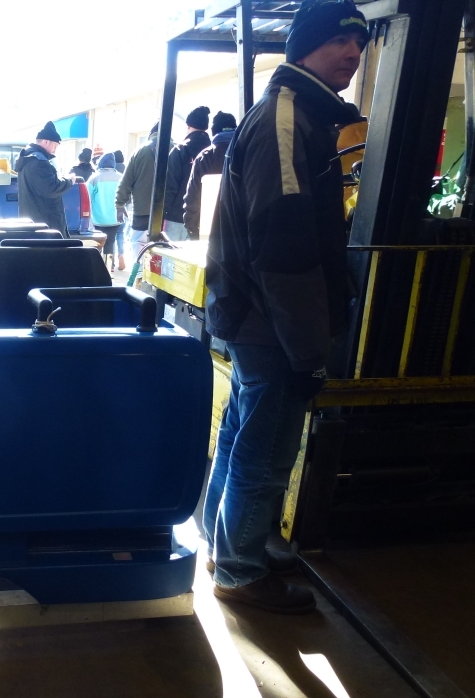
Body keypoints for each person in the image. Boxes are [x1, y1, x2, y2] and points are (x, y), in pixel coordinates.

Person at [203, 0, 369, 614]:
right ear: (304, 47)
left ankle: (231, 548)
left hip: (258, 317)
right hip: (270, 323)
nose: (353, 54)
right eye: (339, 42)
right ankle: (243, 573)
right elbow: (286, 249)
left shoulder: (299, 115)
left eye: (358, 43)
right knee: (267, 449)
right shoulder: (287, 118)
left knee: (247, 436)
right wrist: (307, 348)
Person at [115, 123, 173, 286]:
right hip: (166, 215)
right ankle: (159, 285)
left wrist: (120, 204)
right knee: (164, 252)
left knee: (139, 248)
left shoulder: (140, 151)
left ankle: (139, 281)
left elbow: (126, 182)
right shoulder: (175, 150)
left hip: (141, 213)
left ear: (151, 135)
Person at [183, 111, 237, 239]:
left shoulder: (205, 156)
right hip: (242, 231)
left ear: (214, 131)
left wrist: (192, 229)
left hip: (210, 230)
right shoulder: (247, 152)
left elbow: (193, 196)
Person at [16, 121, 76, 237]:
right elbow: (52, 188)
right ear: (46, 141)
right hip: (46, 225)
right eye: (55, 146)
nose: (55, 150)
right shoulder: (39, 162)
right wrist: (69, 180)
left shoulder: (28, 159)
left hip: (34, 222)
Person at [161, 105, 212, 241]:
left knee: (172, 261)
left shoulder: (179, 150)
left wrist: (161, 215)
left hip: (177, 217)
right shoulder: (213, 151)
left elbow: (170, 187)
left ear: (188, 126)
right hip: (206, 219)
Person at [87, 153, 125, 272]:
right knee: (110, 242)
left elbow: (88, 198)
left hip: (97, 219)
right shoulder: (121, 177)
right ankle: (108, 269)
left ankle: (96, 268)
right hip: (115, 219)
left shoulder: (94, 178)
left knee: (97, 244)